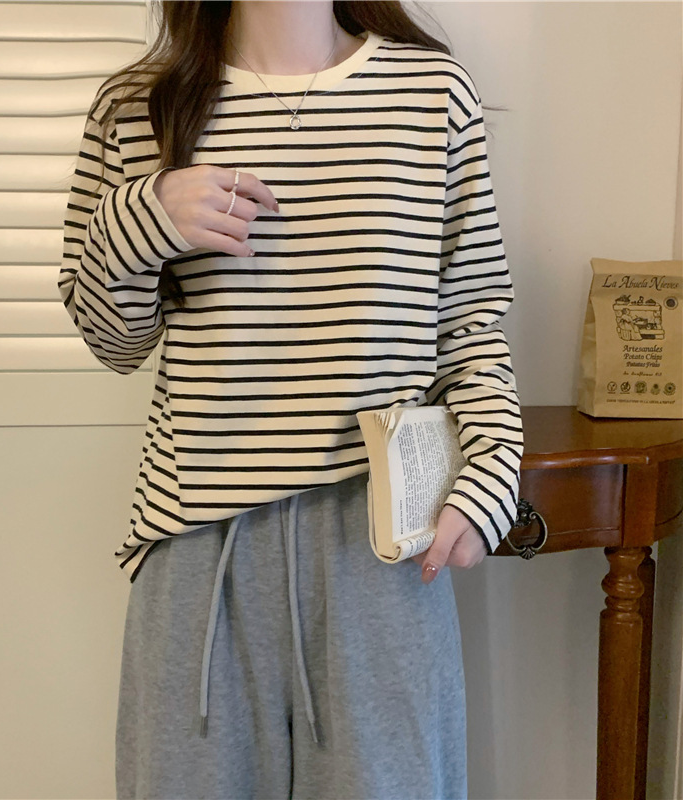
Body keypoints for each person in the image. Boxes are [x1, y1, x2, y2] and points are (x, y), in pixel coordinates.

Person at [58, 1, 524, 797]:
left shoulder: (431, 93)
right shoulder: (139, 108)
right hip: (199, 552)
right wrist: (147, 216)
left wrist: (492, 473)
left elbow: (470, 322)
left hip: (383, 547)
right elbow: (113, 342)